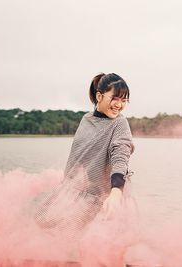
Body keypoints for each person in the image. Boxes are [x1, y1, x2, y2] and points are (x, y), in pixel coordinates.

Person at [33, 72, 135, 263]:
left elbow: (120, 156)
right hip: (74, 191)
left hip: (104, 198)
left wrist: (115, 192)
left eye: (124, 100)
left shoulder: (120, 124)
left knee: (103, 250)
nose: (119, 104)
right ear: (99, 96)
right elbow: (77, 159)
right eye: (115, 98)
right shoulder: (86, 119)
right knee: (44, 223)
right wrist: (64, 191)